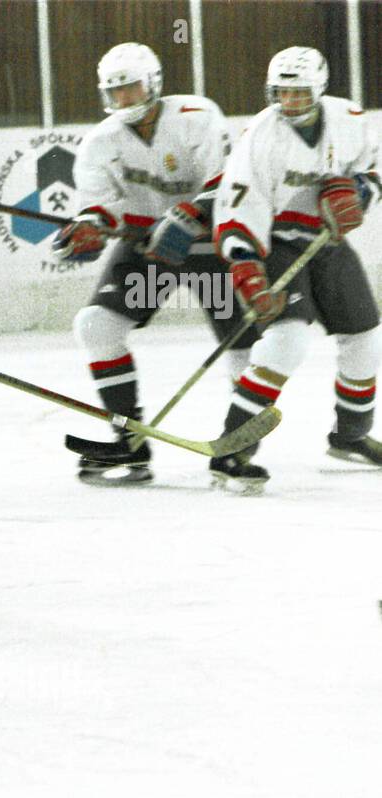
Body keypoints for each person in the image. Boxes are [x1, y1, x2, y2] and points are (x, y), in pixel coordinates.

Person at [52, 42, 245, 485]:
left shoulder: (198, 117)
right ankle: (129, 442)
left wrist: (191, 215)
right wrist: (88, 229)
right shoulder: (100, 143)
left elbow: (229, 184)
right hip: (149, 253)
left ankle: (238, 441)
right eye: (115, 92)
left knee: (242, 344)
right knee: (97, 326)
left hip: (207, 249)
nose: (124, 100)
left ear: (153, 84)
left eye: (131, 88)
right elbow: (100, 209)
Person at [208, 46, 382, 491]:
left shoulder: (348, 118)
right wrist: (247, 269)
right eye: (282, 92)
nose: (290, 101)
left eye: (300, 93)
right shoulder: (260, 137)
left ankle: (351, 435)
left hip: (327, 241)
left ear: (319, 91)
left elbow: (372, 169)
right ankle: (233, 446)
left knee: (364, 335)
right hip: (276, 243)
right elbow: (236, 210)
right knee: (288, 340)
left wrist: (361, 191)